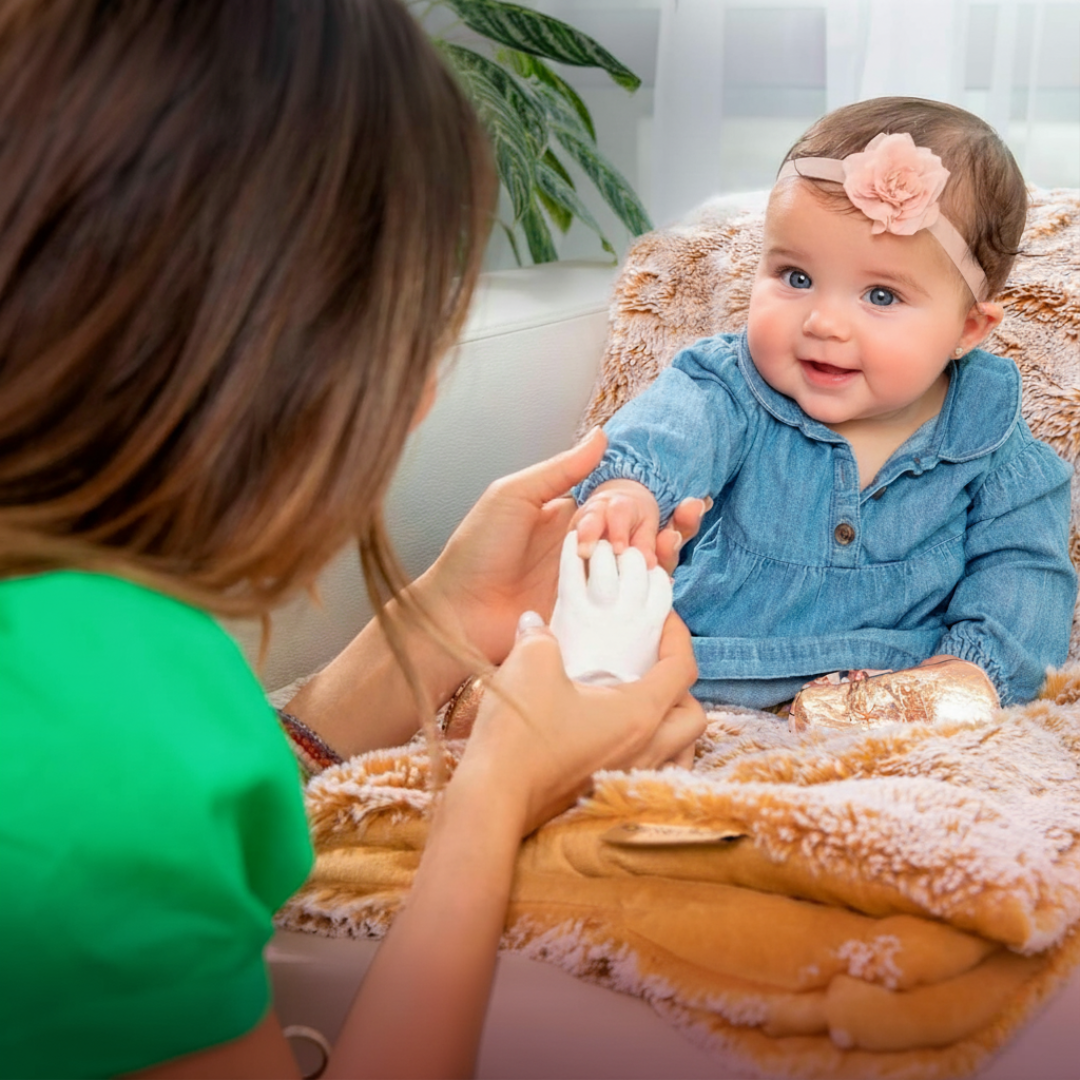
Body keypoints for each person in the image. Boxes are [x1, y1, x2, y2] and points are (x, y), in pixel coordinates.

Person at [0, 3, 706, 1078]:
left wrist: (420, 637)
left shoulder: (79, 656)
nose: (419, 400)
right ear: (256, 329)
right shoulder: (108, 722)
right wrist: (496, 798)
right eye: (405, 333)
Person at [571, 97, 1077, 710]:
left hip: (894, 677)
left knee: (1023, 578)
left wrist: (975, 665)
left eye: (882, 295)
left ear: (968, 329)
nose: (823, 322)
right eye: (796, 277)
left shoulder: (988, 438)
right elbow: (669, 431)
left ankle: (960, 685)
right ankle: (539, 688)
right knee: (593, 605)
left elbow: (1026, 569)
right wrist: (629, 490)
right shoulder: (733, 387)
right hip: (694, 659)